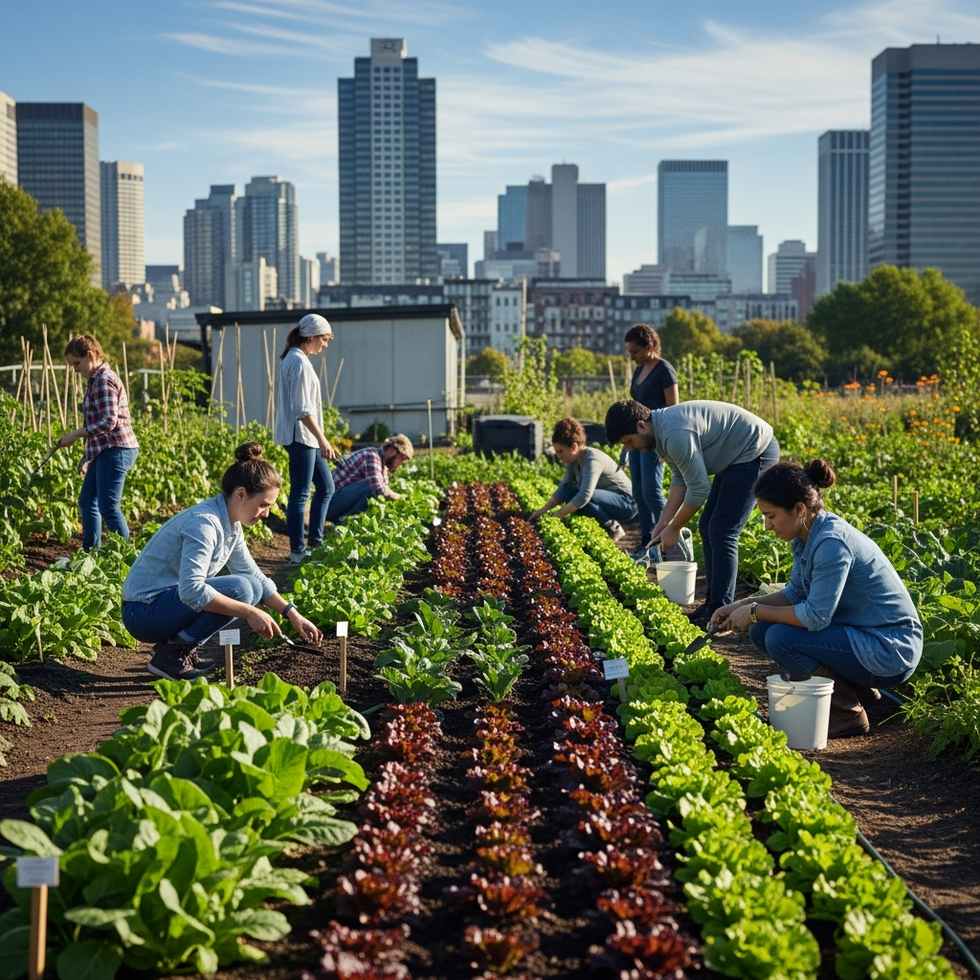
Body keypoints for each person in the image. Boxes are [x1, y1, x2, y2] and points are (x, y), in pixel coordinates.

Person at [708, 459, 922, 738]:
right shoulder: (808, 535)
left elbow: (815, 617)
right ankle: (860, 693)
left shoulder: (831, 543)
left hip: (890, 649)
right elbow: (796, 593)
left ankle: (847, 714)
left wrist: (754, 611)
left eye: (770, 516)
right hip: (860, 636)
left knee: (780, 638)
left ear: (798, 509)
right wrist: (739, 606)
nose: (766, 526)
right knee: (762, 631)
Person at [122, 442, 321, 681]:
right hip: (143, 612)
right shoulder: (204, 524)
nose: (266, 514)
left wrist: (291, 613)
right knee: (242, 590)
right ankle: (172, 654)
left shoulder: (229, 523)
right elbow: (191, 590)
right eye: (263, 505)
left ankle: (177, 647)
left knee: (252, 586)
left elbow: (254, 574)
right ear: (240, 494)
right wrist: (249, 612)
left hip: (164, 604)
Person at [605, 398, 779, 625]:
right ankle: (711, 605)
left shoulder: (674, 433)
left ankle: (720, 611)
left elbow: (699, 489)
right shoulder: (660, 434)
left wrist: (674, 528)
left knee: (723, 531)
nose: (630, 449)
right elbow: (681, 479)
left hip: (755, 450)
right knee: (707, 526)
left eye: (629, 442)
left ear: (641, 425)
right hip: (735, 456)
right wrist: (663, 523)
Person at [58, 335, 139, 550]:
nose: (75, 370)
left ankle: (124, 556)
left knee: (109, 507)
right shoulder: (94, 381)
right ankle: (90, 552)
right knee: (87, 501)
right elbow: (96, 424)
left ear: (90, 355)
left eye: (77, 363)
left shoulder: (104, 380)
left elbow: (109, 422)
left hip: (117, 449)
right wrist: (87, 457)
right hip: (104, 450)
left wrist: (75, 435)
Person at [274, 313, 338, 563]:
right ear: (310, 336)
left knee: (326, 487)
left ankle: (315, 543)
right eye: (324, 339)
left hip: (305, 438)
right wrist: (323, 439)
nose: (325, 344)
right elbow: (302, 410)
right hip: (301, 437)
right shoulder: (298, 363)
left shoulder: (296, 359)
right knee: (300, 495)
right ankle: (297, 551)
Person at [529, 417, 637, 543]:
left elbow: (585, 495)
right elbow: (563, 488)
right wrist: (542, 511)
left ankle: (614, 528)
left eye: (560, 451)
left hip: (626, 502)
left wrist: (558, 514)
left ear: (574, 447)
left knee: (583, 495)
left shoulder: (592, 460)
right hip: (606, 499)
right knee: (569, 490)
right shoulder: (573, 461)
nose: (559, 456)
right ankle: (607, 525)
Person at [623, 324, 679, 561]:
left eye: (635, 352)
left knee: (652, 492)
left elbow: (674, 410)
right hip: (638, 438)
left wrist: (667, 445)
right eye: (629, 352)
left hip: (656, 440)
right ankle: (646, 545)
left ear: (650, 346)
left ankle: (670, 543)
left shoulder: (664, 370)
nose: (631, 356)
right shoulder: (639, 370)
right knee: (638, 492)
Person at [326, 433, 414, 523]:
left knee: (378, 491)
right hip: (328, 504)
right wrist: (398, 497)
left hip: (337, 501)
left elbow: (384, 488)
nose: (400, 464)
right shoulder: (372, 456)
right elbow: (378, 488)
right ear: (392, 450)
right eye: (401, 458)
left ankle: (344, 520)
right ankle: (345, 521)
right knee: (371, 486)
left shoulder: (382, 464)